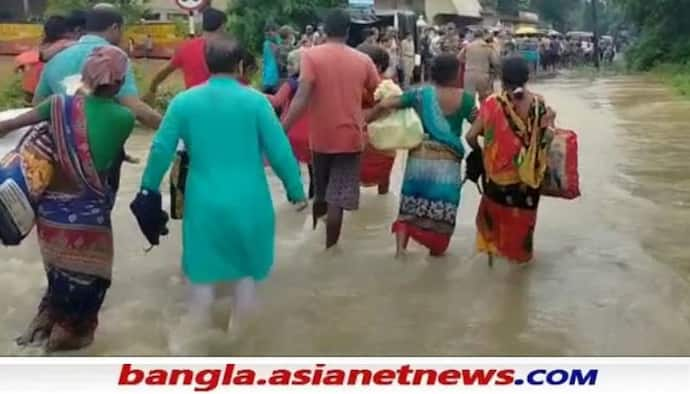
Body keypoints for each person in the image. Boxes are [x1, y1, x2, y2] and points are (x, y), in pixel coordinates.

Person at [136, 36, 307, 334]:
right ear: (240, 65)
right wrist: (295, 191)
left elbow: (161, 149)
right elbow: (279, 150)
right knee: (247, 277)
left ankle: (195, 348)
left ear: (207, 64)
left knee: (201, 276)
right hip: (250, 203)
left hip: (203, 204)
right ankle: (239, 347)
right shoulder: (255, 102)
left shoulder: (184, 102)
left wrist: (147, 189)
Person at [0, 46, 136, 351]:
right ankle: (67, 339)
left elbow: (9, 126)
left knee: (58, 277)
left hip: (49, 217)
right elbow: (107, 158)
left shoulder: (57, 104)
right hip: (88, 219)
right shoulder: (123, 119)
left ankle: (41, 325)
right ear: (117, 83)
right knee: (86, 291)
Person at [282, 9, 380, 249]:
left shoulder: (310, 56)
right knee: (338, 200)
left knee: (322, 194)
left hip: (320, 139)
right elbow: (379, 94)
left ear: (325, 30)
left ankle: (315, 237)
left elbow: (302, 97)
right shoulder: (363, 60)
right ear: (348, 31)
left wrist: (281, 128)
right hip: (350, 138)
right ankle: (329, 250)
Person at [370, 54, 476, 257]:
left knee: (409, 206)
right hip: (447, 164)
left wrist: (366, 121)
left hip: (419, 157)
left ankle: (400, 251)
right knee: (443, 212)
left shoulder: (420, 94)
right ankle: (435, 251)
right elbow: (481, 125)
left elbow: (385, 105)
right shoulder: (466, 99)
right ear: (457, 74)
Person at [466, 56, 555, 264]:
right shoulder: (539, 103)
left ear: (501, 78)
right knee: (523, 228)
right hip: (529, 180)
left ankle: (494, 270)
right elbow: (546, 138)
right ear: (527, 77)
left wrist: (480, 152)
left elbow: (470, 136)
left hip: (498, 180)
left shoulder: (491, 104)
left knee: (494, 228)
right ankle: (520, 274)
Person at [33, 6, 160, 130]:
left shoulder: (56, 58)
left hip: (63, 145)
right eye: (122, 30)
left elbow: (37, 104)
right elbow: (134, 107)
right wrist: (169, 126)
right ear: (115, 27)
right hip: (103, 144)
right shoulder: (114, 58)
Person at [145, 7, 227, 101]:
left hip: (193, 103)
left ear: (203, 25)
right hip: (224, 103)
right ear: (222, 26)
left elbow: (164, 71)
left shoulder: (186, 47)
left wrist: (152, 89)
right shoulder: (229, 49)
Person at [266, 49, 313, 198]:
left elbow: (277, 101)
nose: (288, 67)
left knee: (291, 167)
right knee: (314, 170)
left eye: (291, 63)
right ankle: (314, 197)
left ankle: (295, 196)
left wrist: (254, 94)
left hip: (291, 130)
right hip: (312, 132)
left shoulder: (291, 83)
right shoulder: (314, 81)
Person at [358, 44, 395, 195]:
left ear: (377, 67)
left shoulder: (363, 84)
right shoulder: (390, 84)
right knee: (384, 172)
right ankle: (383, 194)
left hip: (363, 135)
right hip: (386, 135)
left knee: (355, 172)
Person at [459, 28, 500, 102]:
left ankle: (471, 113)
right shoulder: (487, 47)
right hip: (483, 75)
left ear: (474, 36)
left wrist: (467, 61)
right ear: (483, 36)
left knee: (469, 99)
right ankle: (483, 113)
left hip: (469, 74)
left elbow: (459, 58)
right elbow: (496, 62)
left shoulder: (468, 46)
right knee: (484, 99)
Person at [262, 23, 281, 94]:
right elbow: (278, 53)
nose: (270, 32)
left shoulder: (266, 43)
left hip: (267, 78)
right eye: (268, 31)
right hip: (273, 78)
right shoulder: (269, 44)